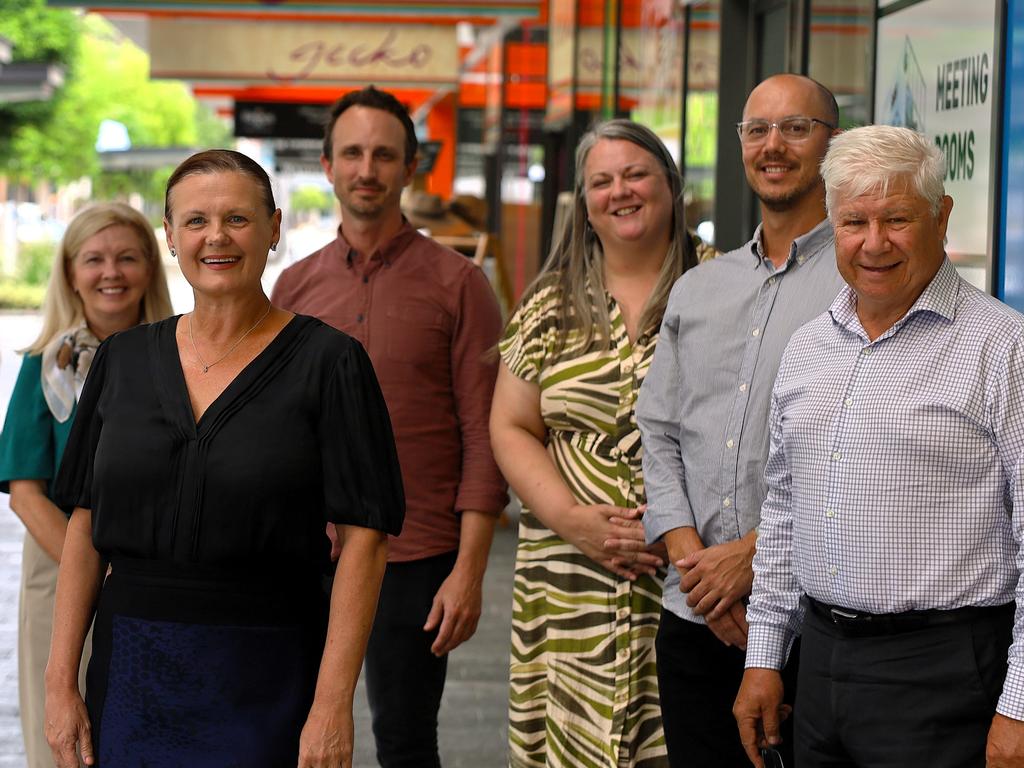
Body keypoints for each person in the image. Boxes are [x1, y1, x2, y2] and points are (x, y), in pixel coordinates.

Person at [44, 149, 404, 768]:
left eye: (237, 219)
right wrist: (59, 685)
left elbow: (365, 540)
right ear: (170, 236)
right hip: (130, 668)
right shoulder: (122, 361)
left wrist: (332, 703)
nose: (216, 237)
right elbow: (84, 524)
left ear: (274, 229)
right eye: (195, 221)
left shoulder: (330, 363)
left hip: (268, 669)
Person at [733, 124, 1024, 768]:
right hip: (820, 662)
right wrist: (764, 658)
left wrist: (1020, 709)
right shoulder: (809, 348)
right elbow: (783, 514)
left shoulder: (1003, 348)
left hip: (947, 673)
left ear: (941, 217)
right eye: (854, 221)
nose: (874, 244)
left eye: (897, 219)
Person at [271, 86, 507, 767]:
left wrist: (469, 571)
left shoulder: (460, 284)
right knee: (296, 731)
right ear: (327, 166)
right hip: (307, 555)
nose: (366, 168)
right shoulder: (293, 289)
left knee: (405, 739)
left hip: (417, 555)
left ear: (411, 168)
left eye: (383, 154)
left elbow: (482, 431)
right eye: (352, 153)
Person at [635, 73, 846, 767]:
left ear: (832, 143)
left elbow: (860, 449)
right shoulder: (700, 287)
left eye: (796, 127)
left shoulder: (862, 283)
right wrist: (698, 568)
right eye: (757, 130)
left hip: (808, 621)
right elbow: (659, 434)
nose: (773, 146)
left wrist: (753, 556)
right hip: (693, 617)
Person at [490, 118, 702, 767]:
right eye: (601, 181)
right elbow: (511, 425)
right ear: (584, 203)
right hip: (569, 577)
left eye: (636, 174)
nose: (620, 191)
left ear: (671, 185)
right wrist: (574, 520)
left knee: (689, 739)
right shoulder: (550, 302)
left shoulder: (721, 290)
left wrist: (678, 529)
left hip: (690, 578)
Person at [0, 202, 172, 768]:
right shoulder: (42, 365)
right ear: (71, 272)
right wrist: (97, 573)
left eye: (127, 257)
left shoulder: (182, 359)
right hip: (58, 572)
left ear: (151, 266)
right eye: (93, 259)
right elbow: (26, 493)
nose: (111, 272)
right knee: (67, 746)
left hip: (157, 573)